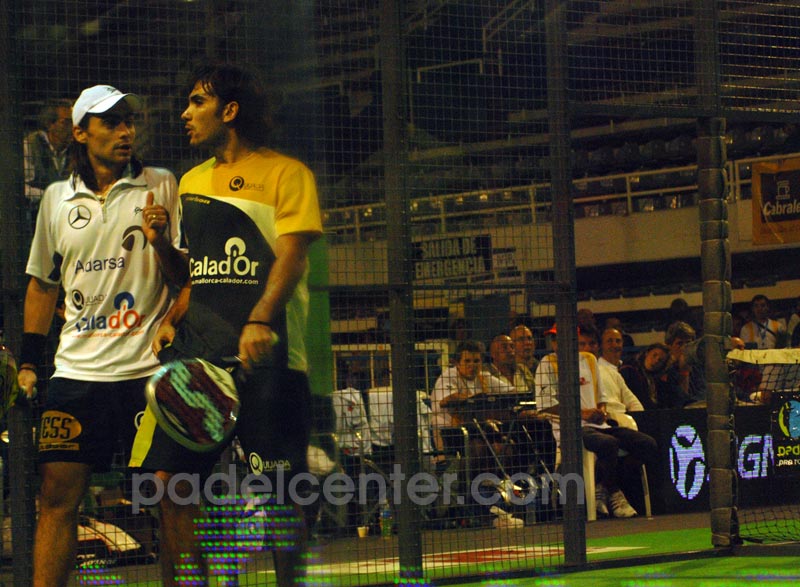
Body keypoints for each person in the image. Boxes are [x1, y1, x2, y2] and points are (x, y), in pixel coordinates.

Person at [147, 63, 323, 587]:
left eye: (197, 102)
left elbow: (291, 256)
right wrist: (162, 255)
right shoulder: (191, 182)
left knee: (283, 496)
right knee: (170, 484)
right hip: (200, 364)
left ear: (229, 110)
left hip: (270, 362)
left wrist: (260, 318)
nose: (185, 113)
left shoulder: (288, 174)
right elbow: (194, 274)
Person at [16, 85, 188, 587]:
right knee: (55, 499)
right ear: (80, 132)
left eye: (128, 121)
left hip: (147, 373)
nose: (125, 131)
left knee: (173, 497)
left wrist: (160, 242)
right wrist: (29, 361)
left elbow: (185, 279)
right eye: (110, 123)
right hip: (76, 375)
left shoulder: (162, 184)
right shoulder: (55, 198)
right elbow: (42, 285)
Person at [533, 324, 639, 518]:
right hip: (571, 428)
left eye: (560, 338)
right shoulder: (547, 363)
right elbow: (546, 406)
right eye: (554, 339)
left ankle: (602, 486)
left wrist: (601, 412)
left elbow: (602, 398)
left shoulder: (589, 360)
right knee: (609, 444)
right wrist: (582, 414)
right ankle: (613, 491)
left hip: (599, 425)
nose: (556, 343)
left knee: (646, 444)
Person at [486, 333, 556, 475]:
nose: (510, 351)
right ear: (493, 354)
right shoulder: (487, 374)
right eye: (504, 347)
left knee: (547, 426)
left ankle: (545, 473)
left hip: (530, 416)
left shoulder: (523, 370)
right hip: (504, 421)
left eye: (512, 347)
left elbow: (534, 394)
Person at [23, 99, 74, 233]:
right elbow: (22, 188)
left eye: (74, 122)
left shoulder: (75, 150)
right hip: (36, 218)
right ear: (50, 124)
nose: (72, 128)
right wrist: (50, 196)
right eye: (66, 122)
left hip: (66, 218)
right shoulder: (30, 145)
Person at [620, 343, 691, 409]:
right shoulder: (629, 371)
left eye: (660, 360)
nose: (656, 360)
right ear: (647, 353)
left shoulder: (659, 380)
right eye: (654, 355)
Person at [664, 320, 706, 403]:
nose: (684, 347)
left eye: (688, 343)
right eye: (679, 343)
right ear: (669, 346)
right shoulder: (666, 370)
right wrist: (684, 372)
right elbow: (681, 401)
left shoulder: (698, 366)